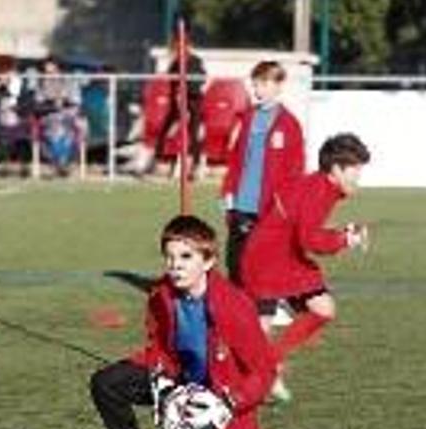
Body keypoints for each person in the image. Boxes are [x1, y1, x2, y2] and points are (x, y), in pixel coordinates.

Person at [90, 215, 301, 429]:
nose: (175, 265)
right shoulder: (162, 295)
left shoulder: (234, 306)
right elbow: (159, 347)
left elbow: (264, 372)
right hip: (180, 384)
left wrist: (228, 402)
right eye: (170, 256)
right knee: (107, 383)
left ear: (209, 261)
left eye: (186, 256)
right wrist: (164, 383)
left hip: (217, 400)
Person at [241, 133, 370, 402]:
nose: (359, 177)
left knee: (321, 310)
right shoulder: (319, 190)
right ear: (336, 170)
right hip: (268, 259)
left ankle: (268, 365)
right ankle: (261, 371)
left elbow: (301, 227)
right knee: (264, 328)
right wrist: (345, 239)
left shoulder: (320, 186)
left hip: (281, 255)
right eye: (355, 170)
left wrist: (341, 233)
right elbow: (310, 239)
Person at [220, 60, 305, 287]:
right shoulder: (249, 117)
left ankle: (271, 303)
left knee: (265, 259)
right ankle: (237, 306)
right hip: (242, 203)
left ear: (277, 85)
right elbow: (237, 159)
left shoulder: (289, 124)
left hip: (270, 207)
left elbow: (296, 170)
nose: (255, 90)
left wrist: (286, 204)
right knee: (235, 260)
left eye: (260, 85)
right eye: (254, 84)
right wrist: (228, 194)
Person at [130, 33, 207, 177]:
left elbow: (200, 80)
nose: (177, 50)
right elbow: (168, 80)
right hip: (176, 103)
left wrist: (187, 90)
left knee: (193, 134)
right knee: (164, 130)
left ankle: (194, 166)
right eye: (176, 48)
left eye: (180, 47)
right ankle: (155, 160)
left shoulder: (196, 61)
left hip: (193, 102)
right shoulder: (175, 63)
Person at [35, 56, 84, 176]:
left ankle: (63, 161)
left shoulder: (68, 82)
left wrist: (64, 101)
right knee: (54, 132)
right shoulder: (41, 84)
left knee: (69, 133)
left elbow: (77, 100)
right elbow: (38, 102)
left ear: (58, 69)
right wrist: (52, 104)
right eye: (46, 71)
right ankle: (59, 162)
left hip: (67, 115)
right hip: (49, 116)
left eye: (52, 70)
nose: (49, 74)